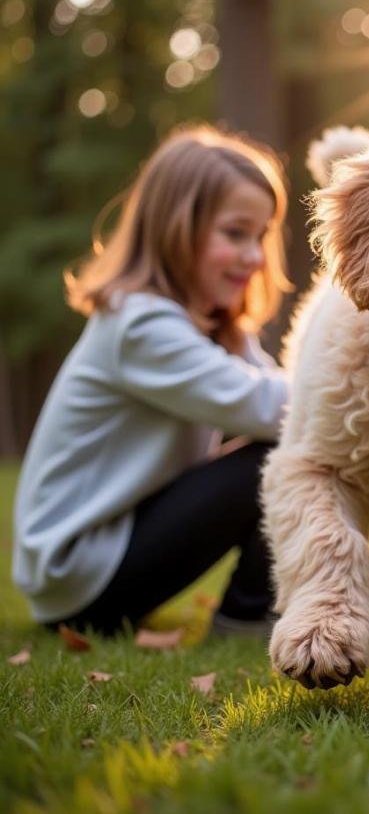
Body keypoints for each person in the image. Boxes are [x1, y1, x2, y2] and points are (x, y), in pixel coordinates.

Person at [12, 125, 293, 636]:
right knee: (280, 455)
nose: (254, 256)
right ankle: (253, 611)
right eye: (235, 234)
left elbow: (278, 394)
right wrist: (367, 387)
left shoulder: (216, 327)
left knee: (299, 445)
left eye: (261, 235)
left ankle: (311, 597)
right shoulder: (139, 324)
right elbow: (272, 405)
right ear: (174, 228)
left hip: (112, 551)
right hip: (76, 573)